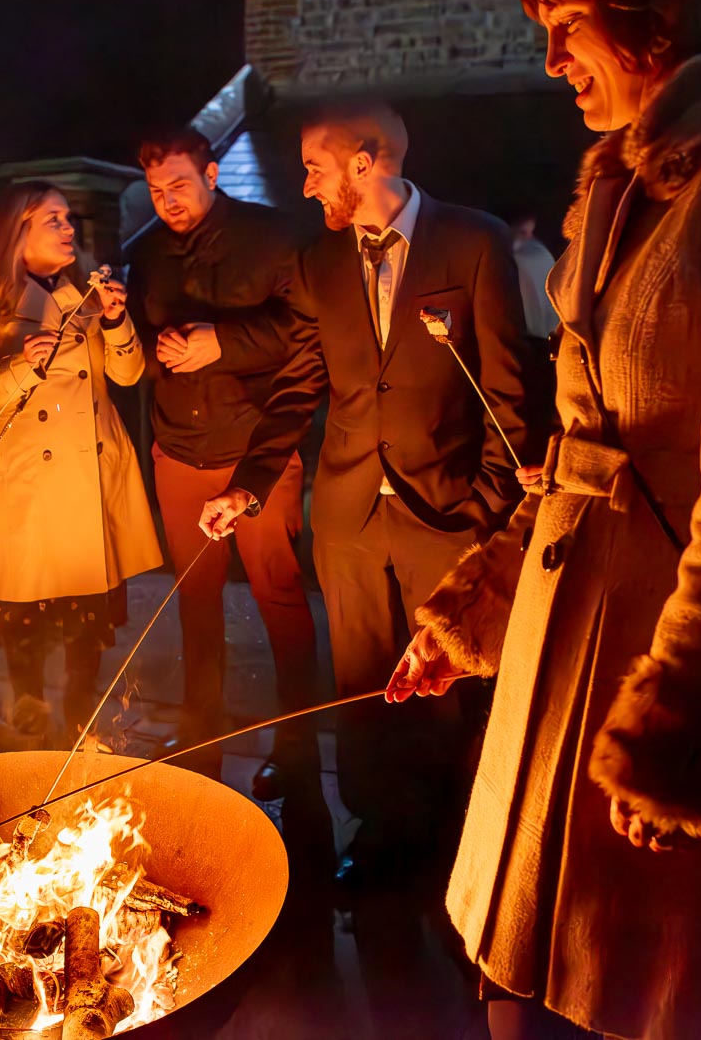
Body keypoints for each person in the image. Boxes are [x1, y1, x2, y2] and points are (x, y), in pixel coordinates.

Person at [386, 0, 701, 1036]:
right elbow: (581, 449)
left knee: (659, 997)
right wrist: (479, 615)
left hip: (666, 667)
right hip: (562, 664)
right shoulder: (626, 177)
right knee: (521, 982)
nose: (551, 60)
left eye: (568, 26)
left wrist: (689, 727)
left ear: (648, 10)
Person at [200, 102, 544, 881]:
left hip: (449, 512)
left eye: (316, 167)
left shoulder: (473, 240)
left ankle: (454, 851)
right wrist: (250, 487)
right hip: (350, 516)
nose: (307, 184)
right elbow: (298, 385)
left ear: (366, 160)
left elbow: (508, 392)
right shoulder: (320, 263)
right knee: (360, 690)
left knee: (445, 692)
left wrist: (486, 511)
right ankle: (378, 835)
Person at [128, 128, 319, 797]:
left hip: (256, 450)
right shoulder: (147, 253)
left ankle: (295, 744)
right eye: (155, 190)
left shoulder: (273, 238)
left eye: (179, 184)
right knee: (196, 605)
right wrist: (159, 352)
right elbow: (137, 343)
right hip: (178, 450)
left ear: (212, 173)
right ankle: (201, 731)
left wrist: (225, 344)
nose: (167, 201)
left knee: (280, 599)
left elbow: (307, 329)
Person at [0, 182, 161, 741]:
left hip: (90, 472)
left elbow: (128, 375)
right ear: (18, 229)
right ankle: (28, 710)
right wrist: (21, 365)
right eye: (53, 218)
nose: (69, 227)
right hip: (28, 480)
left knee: (87, 612)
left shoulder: (86, 294)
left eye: (68, 217)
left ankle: (79, 717)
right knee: (26, 609)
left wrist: (116, 321)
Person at [510, 214, 559, 340]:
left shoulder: (534, 255)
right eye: (523, 233)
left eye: (530, 232)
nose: (529, 238)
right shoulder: (524, 256)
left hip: (538, 336)